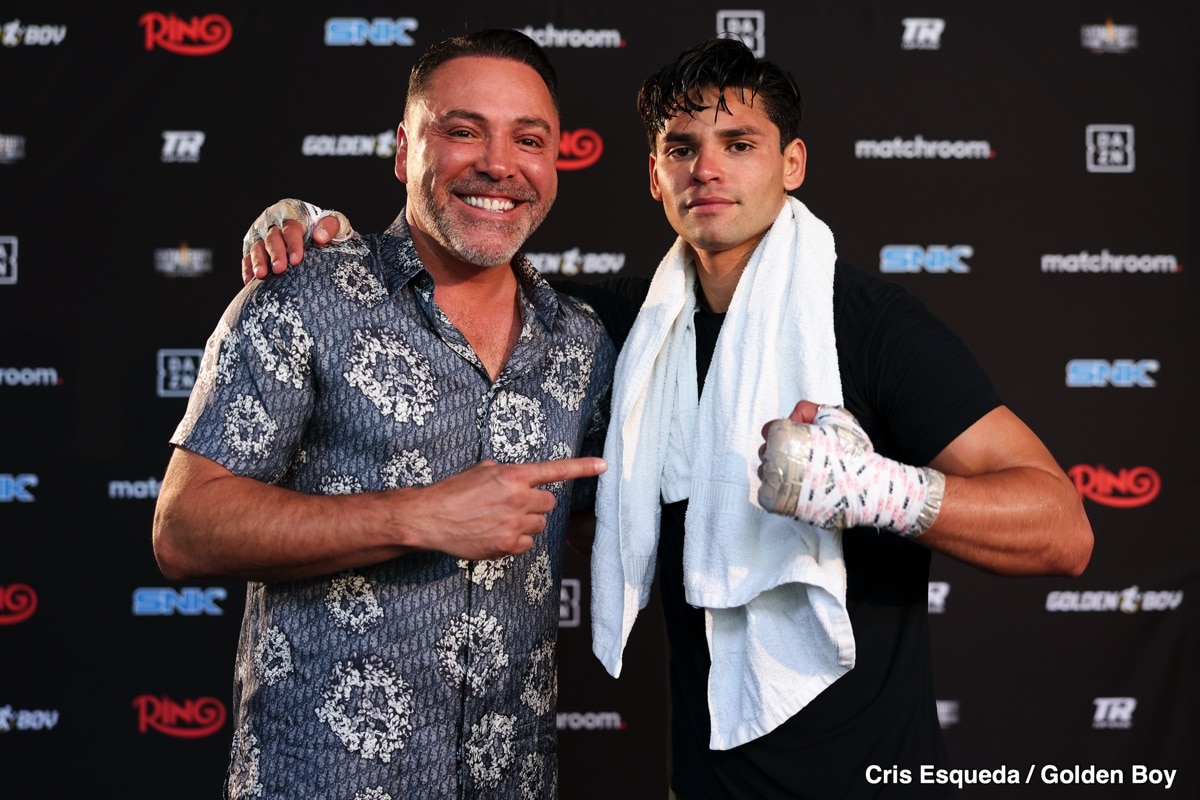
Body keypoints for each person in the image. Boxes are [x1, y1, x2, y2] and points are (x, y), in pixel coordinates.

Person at [242, 36, 1092, 800]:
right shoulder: (622, 328)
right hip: (707, 777)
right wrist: (319, 235)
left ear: (793, 163)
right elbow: (464, 283)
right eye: (682, 148)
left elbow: (1062, 529)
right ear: (654, 174)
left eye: (740, 144)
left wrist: (873, 490)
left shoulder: (867, 327)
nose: (707, 170)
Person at [153, 29, 616, 800]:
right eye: (464, 130)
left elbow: (613, 525)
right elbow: (184, 529)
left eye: (528, 139)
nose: (499, 163)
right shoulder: (303, 297)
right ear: (405, 152)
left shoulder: (584, 342)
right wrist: (417, 516)